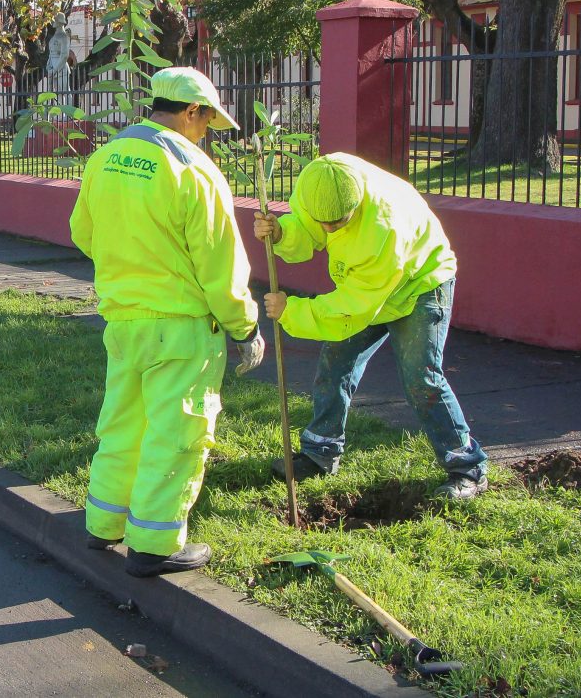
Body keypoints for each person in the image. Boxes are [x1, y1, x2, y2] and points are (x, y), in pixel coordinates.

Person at [70, 66, 265, 578]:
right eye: (206, 123)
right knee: (176, 433)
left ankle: (103, 523)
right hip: (182, 326)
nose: (206, 135)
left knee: (123, 425)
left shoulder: (105, 156)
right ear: (192, 111)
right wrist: (245, 326)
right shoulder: (194, 170)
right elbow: (220, 266)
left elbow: (83, 233)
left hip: (122, 319)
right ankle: (155, 544)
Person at [253, 152, 489, 500]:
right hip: (368, 284)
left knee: (420, 377)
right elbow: (308, 227)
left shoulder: (385, 227)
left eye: (338, 222)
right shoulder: (318, 182)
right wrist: (281, 232)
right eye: (325, 221)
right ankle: (321, 451)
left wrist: (293, 310)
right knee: (336, 362)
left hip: (419, 285)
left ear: (357, 204)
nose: (329, 230)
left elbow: (354, 306)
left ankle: (467, 467)